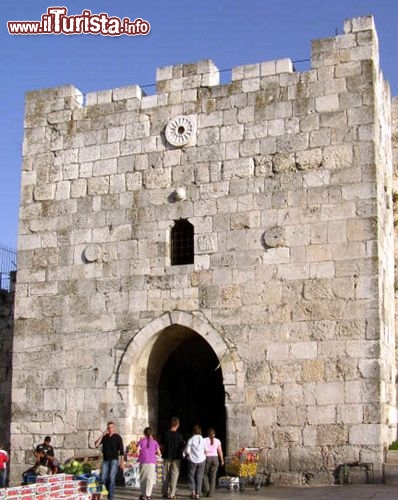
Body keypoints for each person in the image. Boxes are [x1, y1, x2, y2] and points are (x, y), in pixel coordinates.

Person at [95, 421, 125, 500]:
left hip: (114, 460)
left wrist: (122, 462)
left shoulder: (118, 437)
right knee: (103, 478)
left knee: (112, 477)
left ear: (114, 428)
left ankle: (110, 496)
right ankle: (101, 494)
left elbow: (121, 451)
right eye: (108, 427)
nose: (110, 429)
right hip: (105, 460)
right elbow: (96, 445)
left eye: (111, 427)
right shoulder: (105, 437)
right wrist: (102, 434)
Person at [161, 417, 185, 500]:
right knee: (174, 476)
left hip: (167, 456)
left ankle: (164, 492)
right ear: (178, 425)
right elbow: (182, 446)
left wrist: (162, 452)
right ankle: (172, 494)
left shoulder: (165, 434)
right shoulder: (179, 436)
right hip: (176, 458)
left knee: (165, 476)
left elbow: (162, 446)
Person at [137, 427, 161, 500]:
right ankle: (148, 495)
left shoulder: (141, 441)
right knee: (150, 479)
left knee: (143, 478)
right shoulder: (155, 442)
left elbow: (137, 451)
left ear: (144, 433)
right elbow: (159, 453)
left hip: (143, 461)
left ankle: (143, 494)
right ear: (151, 433)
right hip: (152, 462)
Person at [184, 425, 206, 499]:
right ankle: (198, 493)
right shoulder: (203, 440)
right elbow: (206, 450)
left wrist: (188, 455)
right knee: (199, 477)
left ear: (193, 432)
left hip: (192, 460)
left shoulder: (191, 439)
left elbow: (187, 451)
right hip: (202, 460)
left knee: (191, 475)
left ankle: (193, 491)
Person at [202, 428, 224, 497]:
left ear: (208, 434)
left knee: (204, 474)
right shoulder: (217, 441)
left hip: (207, 458)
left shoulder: (204, 440)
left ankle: (207, 488)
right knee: (213, 476)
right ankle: (211, 493)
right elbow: (220, 451)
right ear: (214, 434)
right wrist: (222, 460)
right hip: (215, 459)